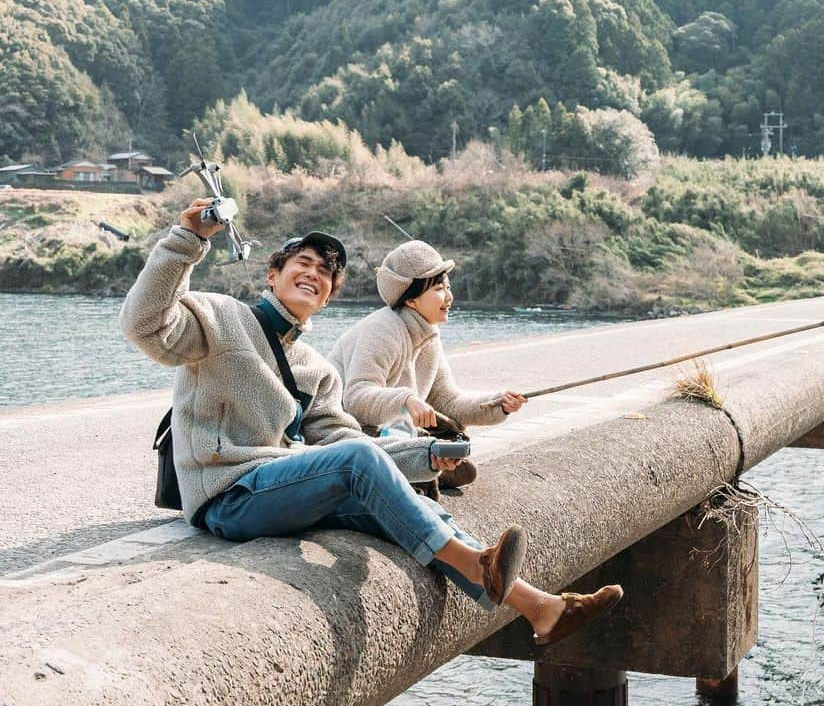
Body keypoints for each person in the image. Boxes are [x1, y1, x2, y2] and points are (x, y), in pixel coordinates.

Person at [120, 198, 622, 646]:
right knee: (362, 462)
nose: (314, 274)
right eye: (304, 263)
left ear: (329, 297)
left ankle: (542, 608)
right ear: (272, 274)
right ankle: (479, 565)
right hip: (228, 494)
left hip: (279, 488)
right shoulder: (220, 317)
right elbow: (143, 325)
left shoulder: (315, 368)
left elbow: (340, 436)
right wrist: (186, 240)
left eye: (326, 274)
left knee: (402, 509)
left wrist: (425, 456)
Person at [329, 240, 525, 488]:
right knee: (426, 451)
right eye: (439, 289)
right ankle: (418, 470)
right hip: (349, 434)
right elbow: (356, 398)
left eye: (448, 287)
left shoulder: (428, 335)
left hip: (392, 431)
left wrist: (499, 404)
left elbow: (447, 401)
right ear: (411, 300)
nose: (449, 297)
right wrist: (405, 401)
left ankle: (419, 467)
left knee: (455, 439)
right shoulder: (381, 330)